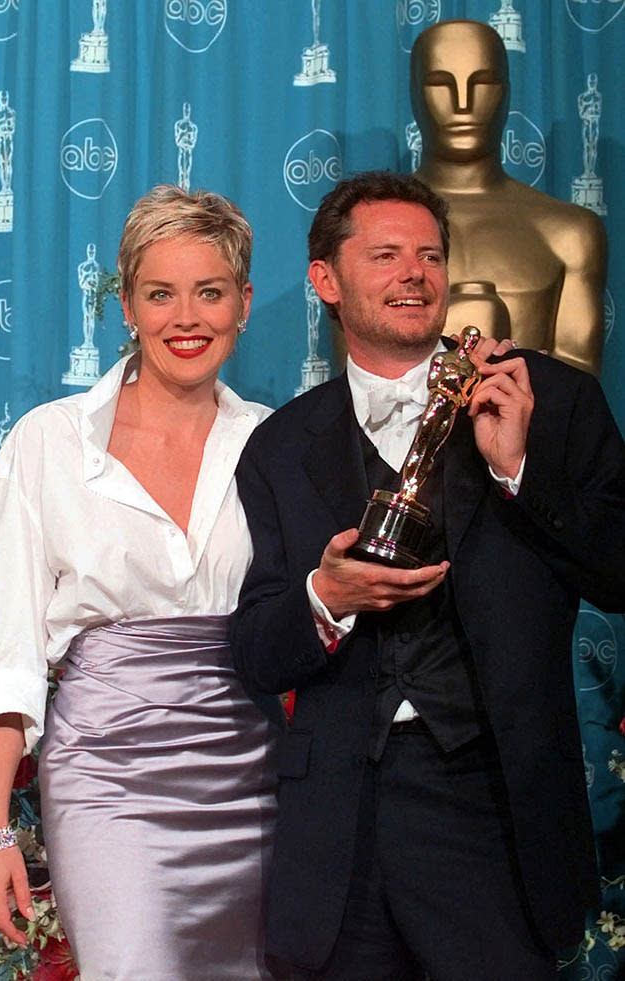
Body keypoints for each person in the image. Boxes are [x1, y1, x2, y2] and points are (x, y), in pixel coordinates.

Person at [230, 170, 625, 980]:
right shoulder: (279, 447)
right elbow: (259, 651)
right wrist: (324, 598)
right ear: (324, 280)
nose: (414, 273)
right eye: (385, 254)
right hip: (340, 831)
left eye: (429, 255)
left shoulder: (547, 399)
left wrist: (518, 469)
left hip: (497, 812)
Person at [0, 185, 281, 981]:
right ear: (125, 304)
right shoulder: (49, 443)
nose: (186, 317)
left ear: (242, 304)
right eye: (160, 293)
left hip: (256, 779)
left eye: (209, 292)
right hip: (110, 779)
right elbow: (6, 649)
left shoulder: (278, 442)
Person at [411, 19, 606, 375]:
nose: (463, 103)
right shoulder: (363, 232)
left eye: (483, 82)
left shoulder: (570, 233)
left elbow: (579, 383)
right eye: (440, 84)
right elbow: (356, 384)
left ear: (508, 92)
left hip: (533, 428)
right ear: (413, 95)